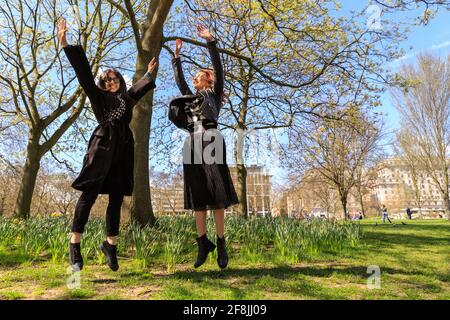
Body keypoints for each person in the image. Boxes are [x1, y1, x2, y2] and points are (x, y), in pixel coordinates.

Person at [57, 18, 157, 272]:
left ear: (120, 81)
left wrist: (148, 73)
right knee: (89, 194)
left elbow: (138, 89)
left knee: (116, 197)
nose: (110, 82)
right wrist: (66, 44)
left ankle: (110, 245)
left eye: (114, 79)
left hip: (123, 148)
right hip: (102, 145)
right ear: (102, 84)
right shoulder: (98, 96)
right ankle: (74, 245)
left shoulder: (126, 98)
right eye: (106, 80)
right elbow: (84, 75)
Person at [169, 25, 239, 269]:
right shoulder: (191, 97)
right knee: (198, 195)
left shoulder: (214, 94)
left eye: (198, 75)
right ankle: (202, 243)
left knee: (217, 195)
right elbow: (180, 84)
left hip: (212, 139)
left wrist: (210, 41)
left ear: (207, 80)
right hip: (192, 143)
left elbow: (218, 68)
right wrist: (176, 57)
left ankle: (220, 243)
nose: (194, 78)